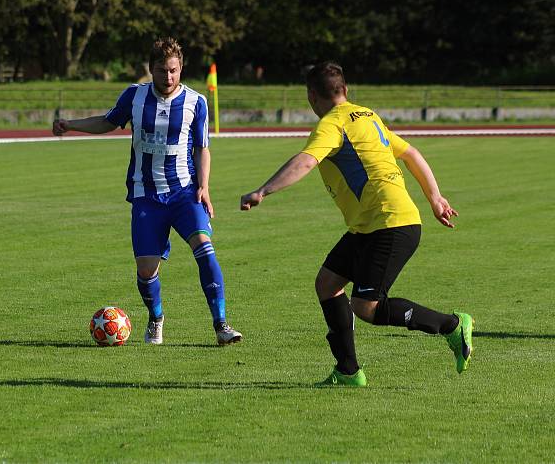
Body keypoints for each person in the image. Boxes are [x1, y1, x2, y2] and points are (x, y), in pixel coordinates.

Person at [240, 61, 473, 386]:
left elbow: (306, 161)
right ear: (345, 90)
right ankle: (348, 371)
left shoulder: (331, 125)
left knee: (366, 306)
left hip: (390, 225)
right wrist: (435, 197)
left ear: (311, 96)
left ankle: (452, 325)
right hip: (371, 224)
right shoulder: (367, 116)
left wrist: (263, 190)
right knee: (328, 283)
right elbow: (411, 153)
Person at [52, 37, 242, 346]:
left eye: (173, 71)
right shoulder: (134, 97)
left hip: (184, 194)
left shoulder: (196, 102)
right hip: (146, 196)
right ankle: (156, 319)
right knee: (146, 271)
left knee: (205, 251)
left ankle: (221, 325)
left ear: (181, 69)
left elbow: (202, 149)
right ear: (150, 69)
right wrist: (71, 124)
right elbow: (107, 121)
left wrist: (204, 187)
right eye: (161, 71)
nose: (168, 78)